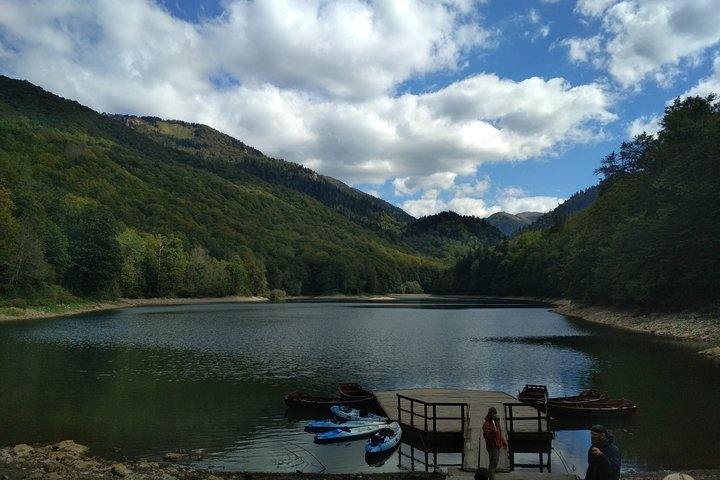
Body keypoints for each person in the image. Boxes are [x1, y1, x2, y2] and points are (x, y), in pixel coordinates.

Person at [482, 406, 508, 480]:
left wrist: (503, 442)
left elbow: (499, 434)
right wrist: (493, 431)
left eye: (495, 414)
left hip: (498, 445)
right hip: (491, 446)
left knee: (495, 463)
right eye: (493, 414)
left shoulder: (496, 422)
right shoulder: (486, 424)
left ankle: (491, 476)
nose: (494, 415)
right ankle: (492, 478)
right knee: (493, 464)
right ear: (489, 414)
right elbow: (486, 436)